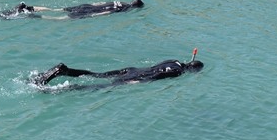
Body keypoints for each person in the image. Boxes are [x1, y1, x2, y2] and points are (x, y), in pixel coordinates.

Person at [31, 55, 203, 88]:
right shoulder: (178, 72)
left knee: (95, 75)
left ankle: (63, 70)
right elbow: (159, 75)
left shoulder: (174, 60)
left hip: (132, 69)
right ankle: (62, 89)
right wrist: (137, 81)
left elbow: (157, 67)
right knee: (100, 87)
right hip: (140, 75)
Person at [0, 0, 145, 20]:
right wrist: (93, 16)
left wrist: (87, 6)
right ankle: (32, 16)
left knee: (56, 9)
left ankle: (28, 7)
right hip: (89, 11)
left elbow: (99, 3)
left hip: (86, 6)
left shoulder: (120, 1)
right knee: (59, 20)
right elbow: (106, 12)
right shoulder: (125, 9)